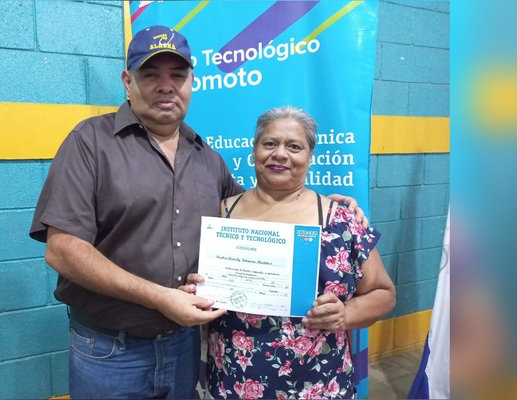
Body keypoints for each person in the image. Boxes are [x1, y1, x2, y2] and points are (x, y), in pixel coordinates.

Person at [29, 26, 368, 399]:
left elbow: (261, 215)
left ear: (191, 82)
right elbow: (61, 250)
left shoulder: (208, 160)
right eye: (150, 75)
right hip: (111, 350)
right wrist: (161, 297)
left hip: (182, 346)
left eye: (177, 76)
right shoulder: (90, 142)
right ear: (128, 81)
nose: (166, 86)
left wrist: (319, 202)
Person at [181, 106, 395, 400]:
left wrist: (345, 313)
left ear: (310, 157)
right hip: (234, 381)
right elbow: (194, 288)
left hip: (318, 383)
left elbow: (384, 293)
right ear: (254, 151)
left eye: (294, 146)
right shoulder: (221, 215)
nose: (280, 154)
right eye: (270, 143)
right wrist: (196, 291)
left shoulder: (340, 221)